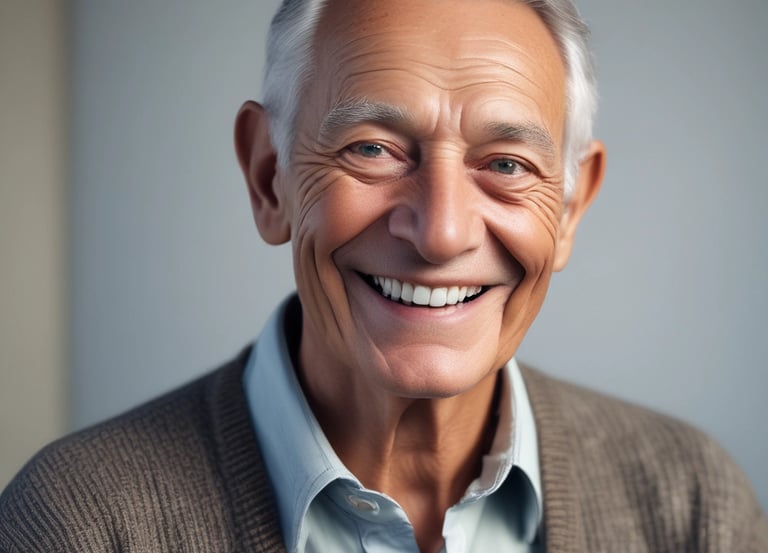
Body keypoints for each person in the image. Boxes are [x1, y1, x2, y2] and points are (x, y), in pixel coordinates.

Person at [2, 0, 766, 551]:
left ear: (568, 207)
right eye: (371, 149)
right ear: (270, 179)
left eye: (506, 165)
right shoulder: (78, 523)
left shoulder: (690, 503)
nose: (440, 232)